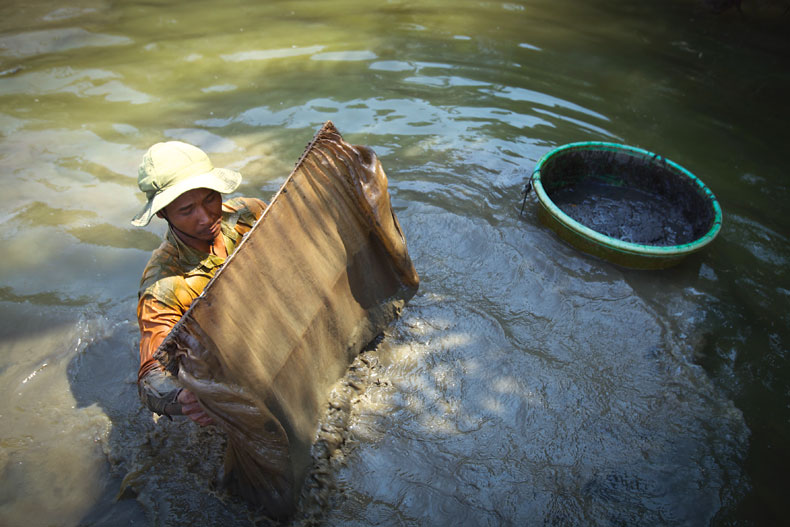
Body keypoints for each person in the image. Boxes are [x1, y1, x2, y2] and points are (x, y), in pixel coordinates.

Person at [131, 141, 266, 426]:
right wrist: (179, 398)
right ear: (162, 214)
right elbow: (150, 376)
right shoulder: (164, 285)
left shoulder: (250, 215)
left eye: (209, 199)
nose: (206, 217)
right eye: (187, 210)